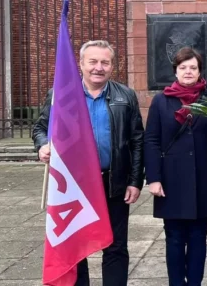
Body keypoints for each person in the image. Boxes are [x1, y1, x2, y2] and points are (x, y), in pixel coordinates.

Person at [33, 40, 144, 286]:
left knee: (115, 246)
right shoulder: (60, 94)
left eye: (105, 62)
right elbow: (41, 128)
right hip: (75, 185)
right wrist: (42, 145)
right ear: (81, 64)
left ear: (112, 66)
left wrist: (135, 181)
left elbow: (137, 141)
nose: (98, 67)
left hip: (113, 182)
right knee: (76, 246)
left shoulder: (125, 96)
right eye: (92, 61)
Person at [144, 47, 207, 286]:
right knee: (175, 238)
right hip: (172, 180)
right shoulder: (161, 100)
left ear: (200, 71)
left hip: (203, 178)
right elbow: (152, 140)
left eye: (193, 67)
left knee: (199, 237)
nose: (188, 72)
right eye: (183, 67)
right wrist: (154, 178)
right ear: (175, 71)